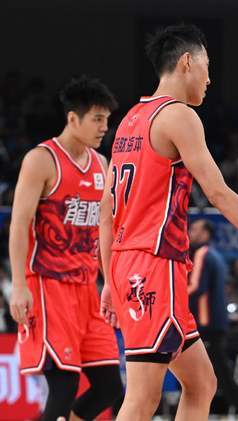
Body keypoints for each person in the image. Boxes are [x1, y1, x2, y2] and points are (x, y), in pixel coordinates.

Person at [98, 23, 238, 421]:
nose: (209, 79)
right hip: (153, 265)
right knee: (142, 397)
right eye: (207, 66)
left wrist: (108, 280)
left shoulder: (131, 119)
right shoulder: (178, 115)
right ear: (187, 62)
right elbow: (219, 194)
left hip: (128, 262)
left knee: (202, 383)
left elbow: (106, 211)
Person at [9, 76, 123, 420]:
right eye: (97, 119)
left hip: (87, 288)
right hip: (48, 287)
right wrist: (18, 286)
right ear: (73, 118)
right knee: (64, 387)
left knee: (109, 388)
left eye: (107, 119)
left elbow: (103, 232)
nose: (104, 127)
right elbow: (19, 224)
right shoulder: (41, 160)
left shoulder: (102, 165)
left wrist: (111, 285)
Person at [187, 219, 238, 421]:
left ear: (206, 234)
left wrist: (169, 295)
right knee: (213, 376)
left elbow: (195, 288)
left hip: (206, 325)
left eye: (195, 229)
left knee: (217, 377)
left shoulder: (202, 254)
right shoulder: (215, 255)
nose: (190, 232)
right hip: (214, 324)